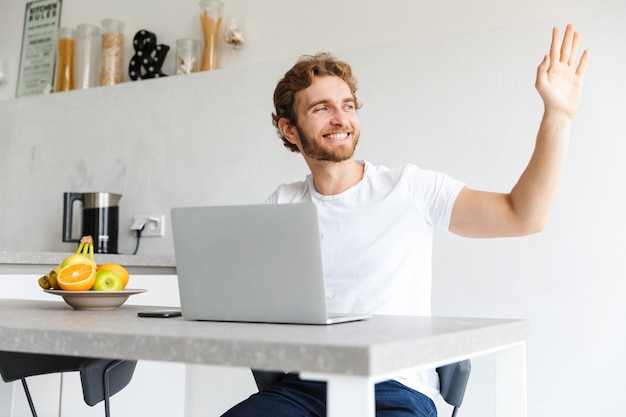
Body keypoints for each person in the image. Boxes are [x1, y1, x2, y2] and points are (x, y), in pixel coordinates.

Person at [222, 24, 589, 417]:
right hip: (304, 388)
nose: (340, 118)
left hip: (395, 389)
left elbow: (524, 215)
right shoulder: (282, 203)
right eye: (321, 108)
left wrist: (558, 115)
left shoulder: (409, 188)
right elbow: (242, 299)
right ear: (289, 130)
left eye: (347, 105)